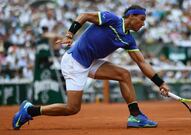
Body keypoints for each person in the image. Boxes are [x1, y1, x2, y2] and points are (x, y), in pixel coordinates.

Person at [12, 5, 169, 129]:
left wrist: (160, 83)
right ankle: (30, 110)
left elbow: (142, 63)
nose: (143, 23)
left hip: (91, 61)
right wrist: (69, 35)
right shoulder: (111, 19)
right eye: (142, 19)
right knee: (72, 108)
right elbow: (85, 16)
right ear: (131, 16)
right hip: (75, 61)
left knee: (124, 74)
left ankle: (136, 116)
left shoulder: (129, 39)